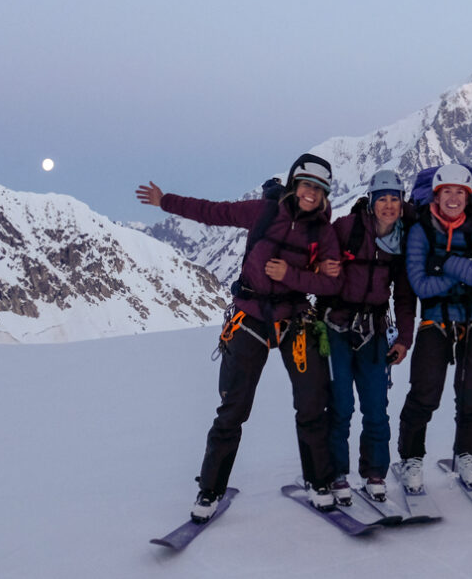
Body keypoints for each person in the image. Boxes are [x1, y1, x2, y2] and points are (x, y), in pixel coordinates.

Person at [135, 153, 342, 521]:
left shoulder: (323, 233)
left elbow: (332, 283)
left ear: (326, 195)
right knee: (233, 408)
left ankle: (319, 481)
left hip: (294, 318)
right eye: (307, 185)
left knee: (312, 403)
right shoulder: (262, 213)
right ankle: (209, 491)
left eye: (319, 189)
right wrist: (164, 200)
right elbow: (213, 212)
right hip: (250, 318)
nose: (311, 193)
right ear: (295, 185)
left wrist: (288, 276)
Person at [395, 163, 472, 492]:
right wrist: (466, 269)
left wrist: (444, 263)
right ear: (436, 195)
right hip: (438, 316)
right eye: (447, 192)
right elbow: (419, 285)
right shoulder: (421, 229)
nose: (453, 198)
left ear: (468, 197)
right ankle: (410, 458)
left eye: (460, 192)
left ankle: (467, 454)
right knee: (425, 391)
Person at [316, 169, 416, 503]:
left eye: (394, 199)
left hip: (373, 332)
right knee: (341, 404)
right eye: (382, 199)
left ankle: (375, 472)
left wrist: (404, 338)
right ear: (371, 202)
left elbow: (404, 294)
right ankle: (336, 473)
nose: (389, 205)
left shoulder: (402, 239)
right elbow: (316, 255)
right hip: (336, 327)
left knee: (376, 406)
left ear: (402, 203)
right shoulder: (347, 228)